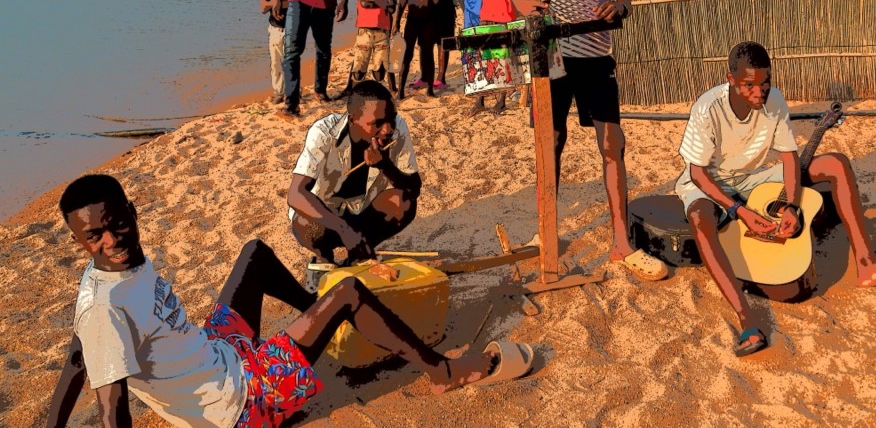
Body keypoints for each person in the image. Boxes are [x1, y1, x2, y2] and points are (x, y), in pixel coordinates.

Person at [46, 174, 531, 428]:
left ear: (131, 212)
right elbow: (113, 412)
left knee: (254, 254)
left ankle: (321, 319)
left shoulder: (116, 271)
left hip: (220, 351)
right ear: (79, 241)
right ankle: (443, 373)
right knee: (349, 291)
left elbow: (74, 358)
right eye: (94, 237)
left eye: (118, 224)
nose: (111, 240)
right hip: (240, 403)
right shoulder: (105, 309)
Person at [675, 41, 876, 358]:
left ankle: (868, 265)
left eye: (765, 82)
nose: (759, 92)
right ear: (730, 79)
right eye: (748, 85)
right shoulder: (707, 108)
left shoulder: (774, 101)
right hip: (710, 180)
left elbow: (788, 159)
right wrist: (738, 211)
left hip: (753, 176)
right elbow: (698, 173)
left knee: (835, 163)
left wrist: (793, 206)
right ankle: (747, 321)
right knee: (700, 218)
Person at [510, 0, 668, 283]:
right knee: (551, 142)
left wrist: (618, 7)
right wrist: (528, 7)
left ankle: (621, 242)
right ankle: (547, 232)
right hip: (554, 58)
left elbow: (625, 1)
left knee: (612, 143)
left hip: (598, 57)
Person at [288, 80, 420, 269]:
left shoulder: (397, 128)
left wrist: (385, 166)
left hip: (364, 213)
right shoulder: (324, 132)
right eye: (377, 123)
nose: (388, 129)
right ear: (352, 120)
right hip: (327, 216)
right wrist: (343, 228)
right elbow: (296, 194)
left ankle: (359, 253)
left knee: (403, 203)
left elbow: (414, 188)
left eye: (391, 118)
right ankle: (324, 259)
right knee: (306, 222)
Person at [466, 0, 518, 116]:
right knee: (483, 61)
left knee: (502, 62)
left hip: (505, 19)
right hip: (486, 18)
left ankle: (501, 101)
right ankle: (480, 100)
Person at [394, 0, 444, 100]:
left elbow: (436, 0)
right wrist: (396, 21)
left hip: (429, 20)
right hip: (413, 18)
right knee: (406, 54)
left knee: (427, 53)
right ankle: (400, 89)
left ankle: (430, 88)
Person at [341, 0, 397, 96]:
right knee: (359, 69)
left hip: (382, 33)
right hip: (364, 32)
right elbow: (365, 4)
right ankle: (352, 92)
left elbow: (392, 9)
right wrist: (382, 2)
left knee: (379, 73)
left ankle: (385, 89)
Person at [259, 0, 287, 104]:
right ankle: (279, 92)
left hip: (290, 28)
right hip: (275, 28)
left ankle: (292, 92)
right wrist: (276, 1)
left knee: (290, 62)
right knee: (276, 63)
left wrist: (276, 1)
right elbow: (263, 7)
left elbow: (291, 0)